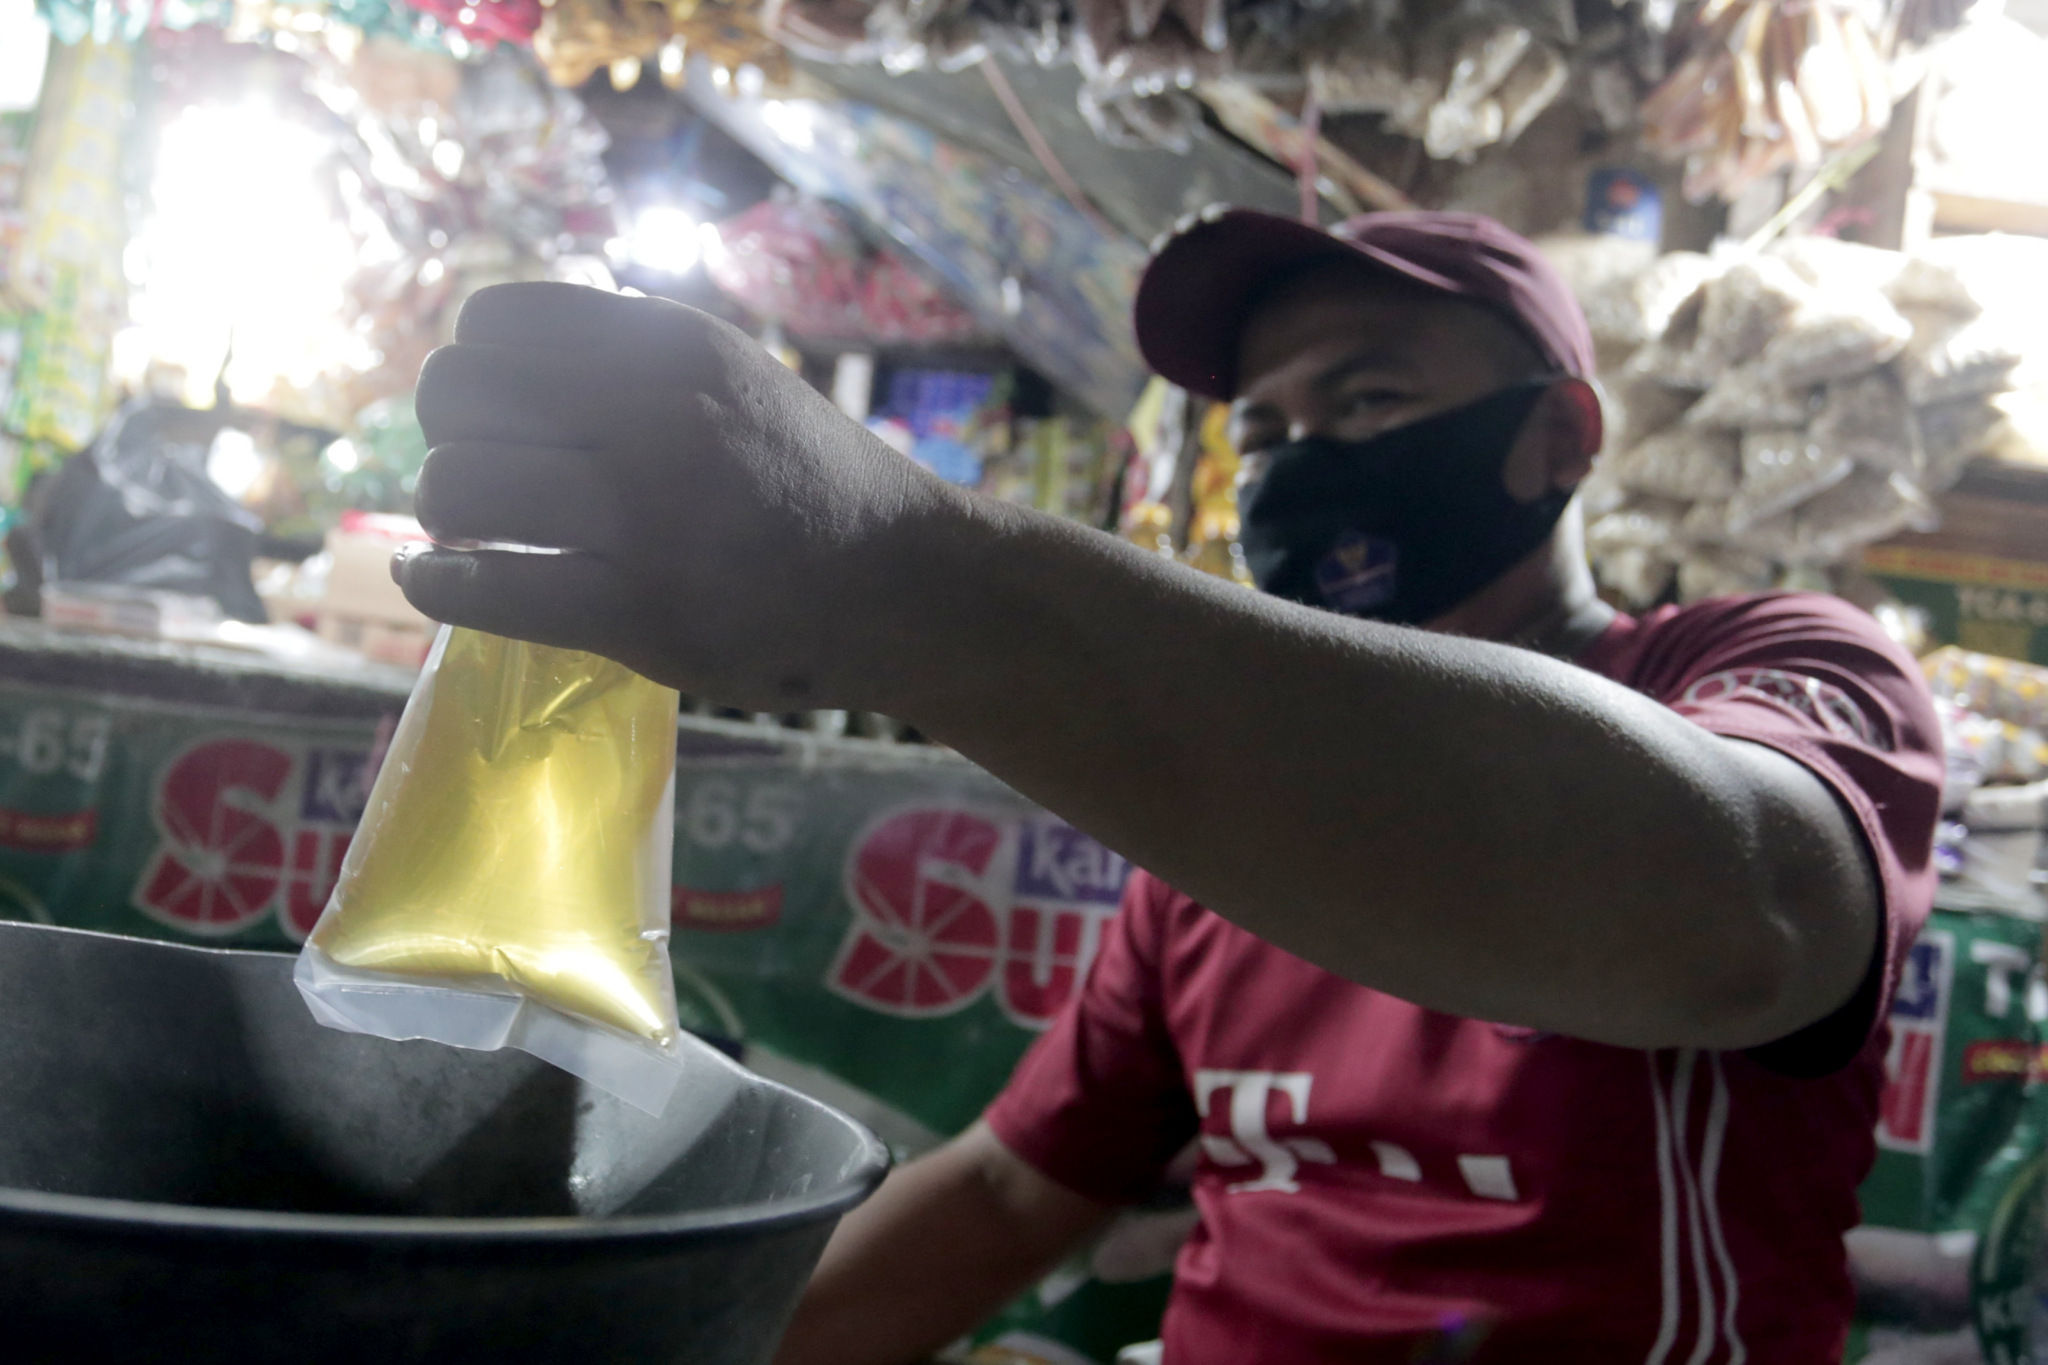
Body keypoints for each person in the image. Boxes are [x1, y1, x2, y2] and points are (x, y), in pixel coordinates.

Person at [397, 208, 1942, 1363]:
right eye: (1261, 429)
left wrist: (903, 579)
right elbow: (1014, 1192)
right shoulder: (1212, 803)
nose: (1296, 461)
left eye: (1369, 402)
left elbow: (1733, 908)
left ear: (1556, 436)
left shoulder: (1767, 668)